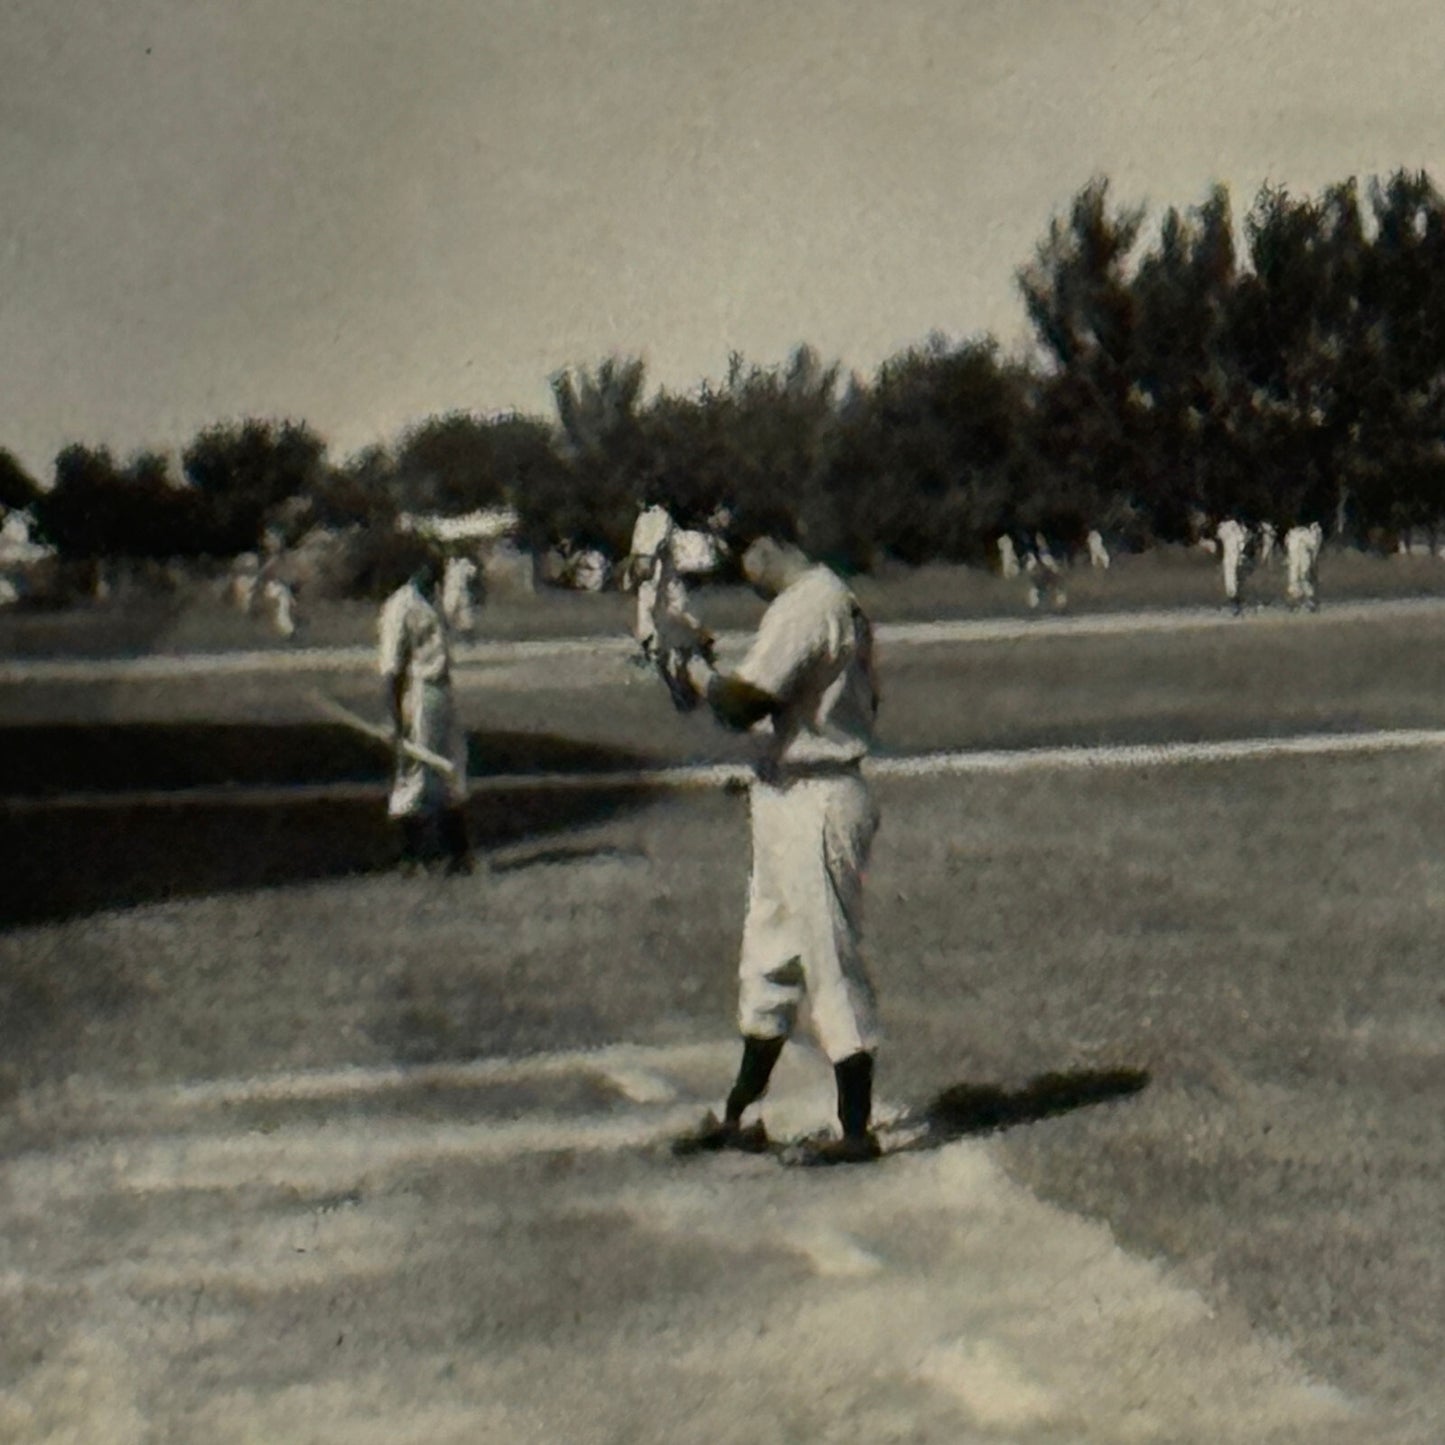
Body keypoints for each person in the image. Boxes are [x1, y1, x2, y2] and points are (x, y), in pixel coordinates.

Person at [669, 528, 884, 1166]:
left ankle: (854, 1131)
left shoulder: (809, 603)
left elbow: (741, 704)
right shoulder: (822, 601)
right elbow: (770, 703)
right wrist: (696, 674)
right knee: (768, 957)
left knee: (828, 959)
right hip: (791, 790)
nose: (747, 574)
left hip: (817, 797)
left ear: (770, 544)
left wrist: (694, 669)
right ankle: (742, 1112)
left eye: (747, 559)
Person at [377, 554, 472, 874]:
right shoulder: (400, 606)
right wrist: (393, 718)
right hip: (418, 692)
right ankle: (410, 856)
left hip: (442, 690)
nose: (434, 572)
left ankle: (456, 854)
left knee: (451, 770)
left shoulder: (434, 600)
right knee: (416, 774)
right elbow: (391, 668)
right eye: (428, 565)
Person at [1284, 521, 1323, 611]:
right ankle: (1295, 600)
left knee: (1304, 576)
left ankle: (1308, 600)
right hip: (1295, 560)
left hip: (1303, 560)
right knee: (1294, 578)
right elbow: (1313, 544)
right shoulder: (1292, 534)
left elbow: (1313, 545)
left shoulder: (1298, 534)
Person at [1216, 516, 1250, 614]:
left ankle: (1234, 599)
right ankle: (1235, 600)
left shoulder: (1225, 528)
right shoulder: (1237, 528)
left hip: (1232, 556)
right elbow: (1242, 541)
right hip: (1235, 556)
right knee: (1235, 577)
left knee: (1231, 576)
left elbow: (1220, 536)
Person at [441, 553, 480, 637]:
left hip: (462, 590)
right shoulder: (448, 563)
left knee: (465, 613)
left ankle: (467, 635)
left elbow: (473, 572)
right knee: (448, 612)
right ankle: (446, 633)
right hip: (450, 591)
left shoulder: (464, 562)